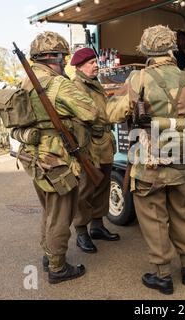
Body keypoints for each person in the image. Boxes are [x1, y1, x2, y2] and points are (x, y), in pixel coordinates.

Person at [106, 25, 185, 295]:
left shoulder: (139, 78)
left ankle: (162, 275)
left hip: (151, 159)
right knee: (183, 212)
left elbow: (114, 113)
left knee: (154, 217)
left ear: (147, 50)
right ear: (172, 49)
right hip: (183, 156)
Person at [19, 32, 99, 284]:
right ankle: (58, 267)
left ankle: (48, 255)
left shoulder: (25, 83)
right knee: (61, 215)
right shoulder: (57, 83)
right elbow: (90, 112)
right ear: (56, 57)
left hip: (34, 155)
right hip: (58, 159)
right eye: (63, 57)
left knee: (49, 211)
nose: (65, 61)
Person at [70, 48, 120, 254]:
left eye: (95, 61)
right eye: (90, 62)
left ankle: (97, 226)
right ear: (79, 66)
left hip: (104, 142)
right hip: (89, 143)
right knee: (85, 188)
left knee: (102, 185)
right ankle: (82, 232)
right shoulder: (76, 86)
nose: (95, 65)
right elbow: (85, 116)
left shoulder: (94, 83)